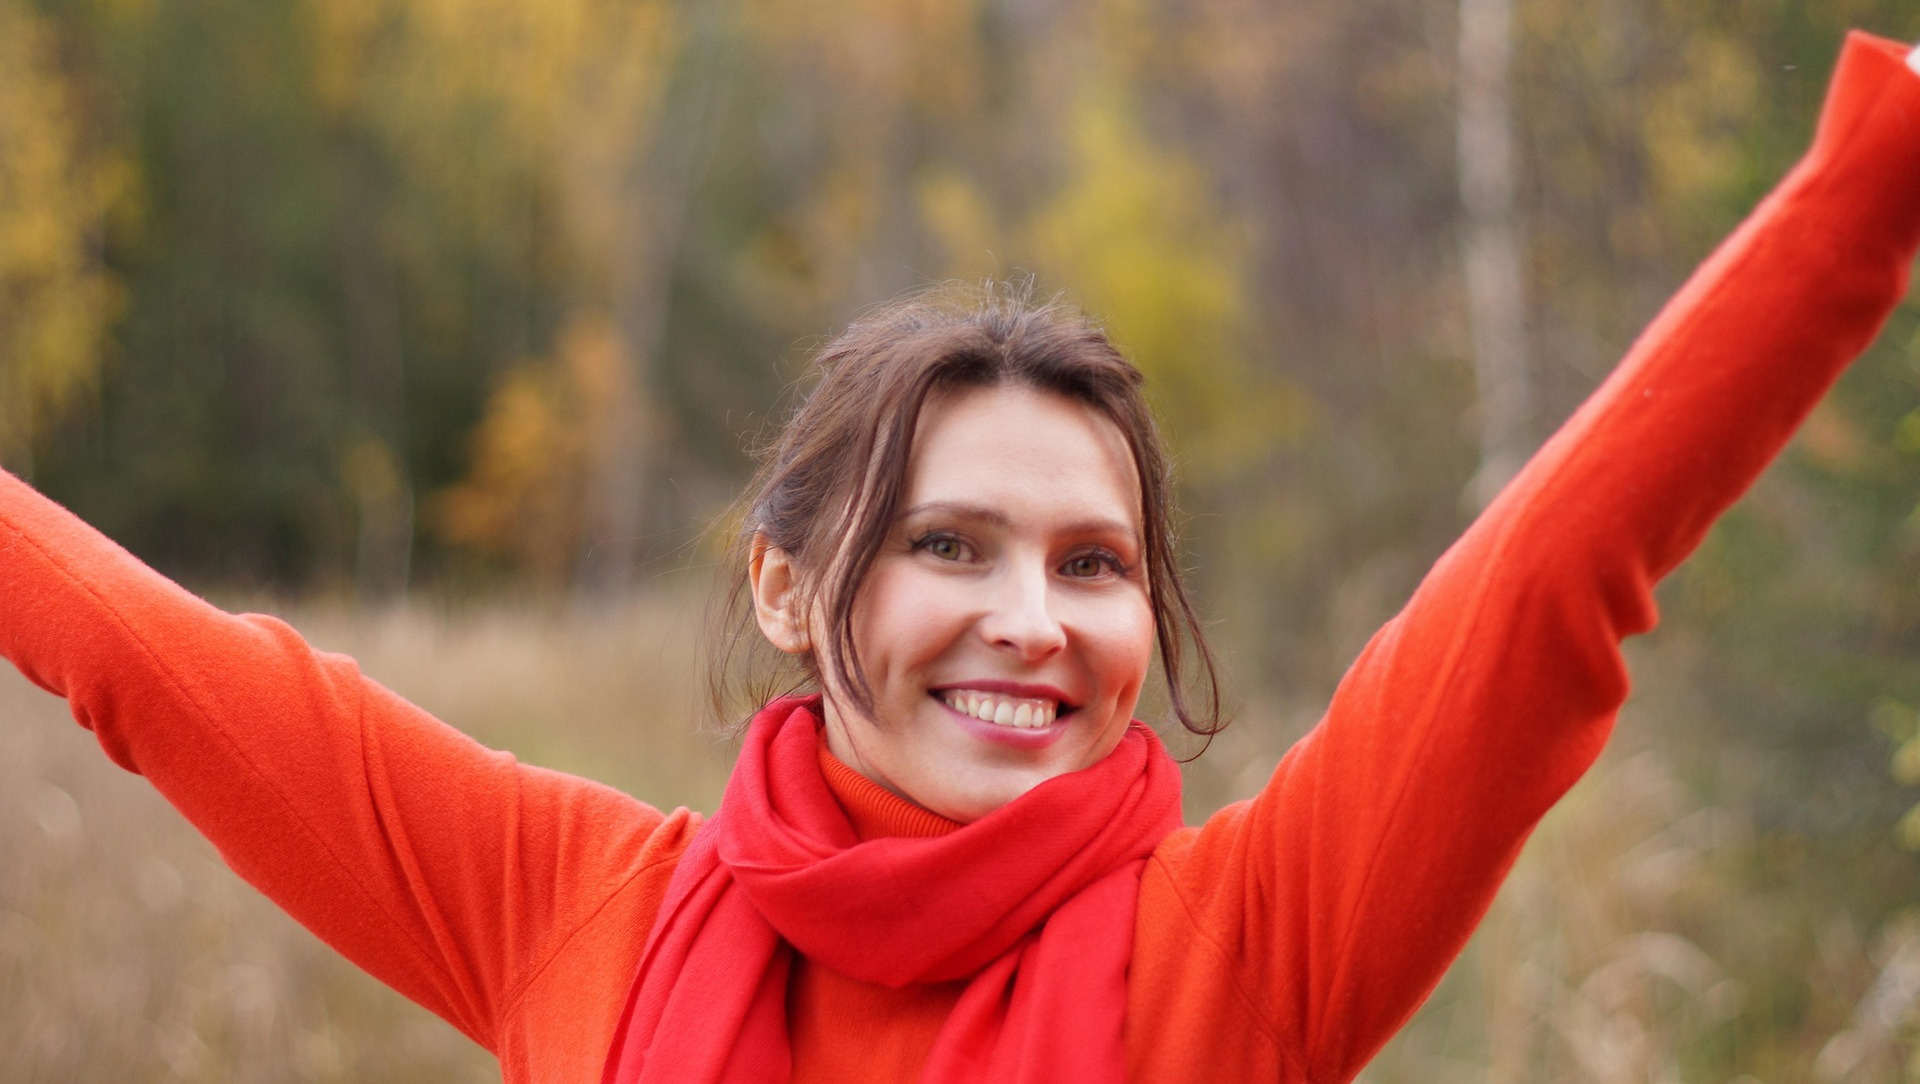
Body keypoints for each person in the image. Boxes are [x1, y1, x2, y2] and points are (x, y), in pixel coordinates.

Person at [4, 29, 1920, 1084]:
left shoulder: (1244, 951)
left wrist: (1862, 199)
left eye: (1098, 565)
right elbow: (164, 676)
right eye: (947, 543)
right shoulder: (576, 907)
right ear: (782, 587)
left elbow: (1539, 588)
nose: (1034, 620)